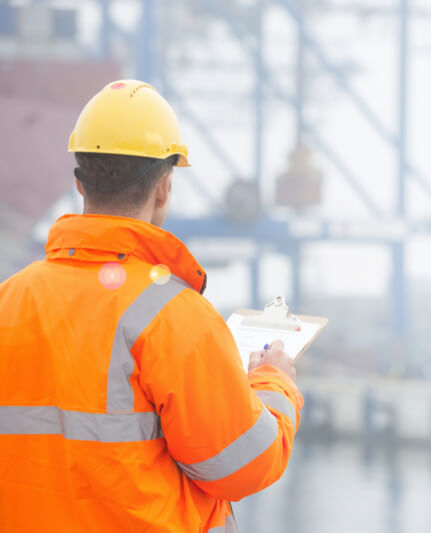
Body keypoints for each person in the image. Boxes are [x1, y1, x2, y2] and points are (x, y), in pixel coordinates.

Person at [0, 80, 302, 532]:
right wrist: (274, 383)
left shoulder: (9, 300)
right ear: (164, 187)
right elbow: (243, 463)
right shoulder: (174, 317)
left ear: (80, 183)